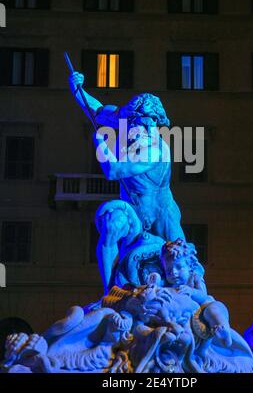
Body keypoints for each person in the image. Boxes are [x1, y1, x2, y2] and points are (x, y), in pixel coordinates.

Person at [69, 72, 186, 293]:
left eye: (137, 124)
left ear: (152, 123)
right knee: (112, 224)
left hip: (162, 214)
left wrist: (100, 144)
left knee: (183, 265)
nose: (131, 129)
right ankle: (109, 291)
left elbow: (114, 170)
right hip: (133, 211)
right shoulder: (130, 121)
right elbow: (96, 110)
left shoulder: (155, 151)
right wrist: (77, 89)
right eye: (129, 122)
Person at [161, 239, 232, 347]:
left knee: (213, 311)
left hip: (204, 307)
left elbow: (203, 296)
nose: (174, 272)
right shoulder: (170, 286)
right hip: (189, 315)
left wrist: (191, 291)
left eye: (179, 267)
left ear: (190, 266)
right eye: (168, 270)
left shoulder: (194, 277)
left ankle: (223, 332)